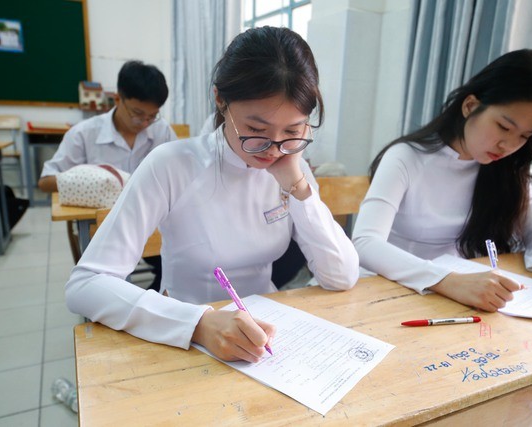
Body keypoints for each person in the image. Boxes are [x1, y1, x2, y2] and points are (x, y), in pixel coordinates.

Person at [65, 26, 359, 363]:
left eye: (292, 131)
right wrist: (199, 324)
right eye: (256, 130)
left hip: (268, 339)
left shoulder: (292, 166)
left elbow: (342, 276)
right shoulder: (172, 165)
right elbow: (86, 284)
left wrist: (299, 188)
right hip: (183, 336)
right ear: (221, 99)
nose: (272, 150)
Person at [352, 49, 532, 313]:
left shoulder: (503, 169)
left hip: (450, 298)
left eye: (524, 136)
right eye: (504, 127)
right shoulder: (406, 158)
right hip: (383, 292)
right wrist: (447, 281)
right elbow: (365, 243)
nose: (509, 145)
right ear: (470, 106)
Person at [39, 60, 176, 291]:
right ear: (117, 99)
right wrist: (93, 180)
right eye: (137, 114)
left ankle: (152, 297)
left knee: (176, 254)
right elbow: (45, 182)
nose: (144, 123)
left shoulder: (161, 131)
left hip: (152, 225)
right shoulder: (84, 134)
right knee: (107, 286)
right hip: (104, 229)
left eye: (152, 116)